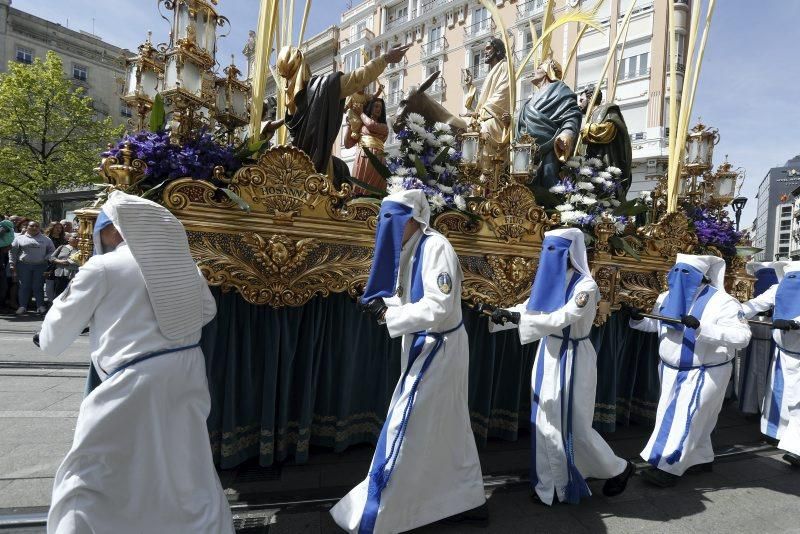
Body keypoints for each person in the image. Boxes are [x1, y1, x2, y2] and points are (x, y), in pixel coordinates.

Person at [37, 190, 233, 533]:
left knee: (92, 469)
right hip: (186, 371)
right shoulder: (186, 266)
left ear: (115, 230)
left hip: (132, 380)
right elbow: (207, 311)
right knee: (184, 464)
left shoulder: (104, 266)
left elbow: (54, 338)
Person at [331, 189, 486, 533]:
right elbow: (406, 298)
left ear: (412, 219)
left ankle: (383, 508)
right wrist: (385, 306)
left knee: (407, 424)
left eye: (393, 219)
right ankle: (467, 497)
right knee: (449, 424)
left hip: (438, 348)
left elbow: (439, 306)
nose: (385, 226)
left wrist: (389, 316)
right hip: (423, 343)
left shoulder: (435, 248)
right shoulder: (410, 250)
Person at [487, 228, 634, 504]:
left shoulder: (585, 286)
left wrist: (521, 321)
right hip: (549, 353)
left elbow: (563, 317)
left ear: (570, 253)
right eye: (547, 249)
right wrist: (503, 316)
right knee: (544, 420)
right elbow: (531, 307)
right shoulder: (551, 280)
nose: (549, 256)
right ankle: (551, 485)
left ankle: (619, 468)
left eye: (555, 250)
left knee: (574, 425)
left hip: (574, 357)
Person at [629, 254, 751, 487]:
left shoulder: (723, 302)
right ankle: (701, 459)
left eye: (685, 272)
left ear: (702, 277)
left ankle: (667, 467)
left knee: (686, 417)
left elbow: (742, 337)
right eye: (675, 271)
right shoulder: (666, 297)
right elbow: (658, 324)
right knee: (689, 419)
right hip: (669, 369)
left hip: (704, 371)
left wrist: (702, 328)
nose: (678, 277)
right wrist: (638, 319)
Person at [273, 43, 410, 176]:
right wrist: (385, 58)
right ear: (303, 66)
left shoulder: (290, 105)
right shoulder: (324, 87)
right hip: (318, 170)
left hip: (296, 167)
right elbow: (357, 78)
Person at [741, 261, 800, 466]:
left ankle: (797, 449)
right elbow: (755, 305)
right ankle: (778, 434)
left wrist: (796, 323)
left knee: (798, 404)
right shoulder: (778, 288)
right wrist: (732, 314)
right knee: (781, 396)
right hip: (784, 354)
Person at [516, 57, 583, 188]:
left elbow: (572, 114)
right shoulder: (530, 99)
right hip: (525, 150)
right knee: (522, 187)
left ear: (549, 71)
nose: (535, 70)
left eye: (540, 67)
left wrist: (566, 134)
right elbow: (523, 122)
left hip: (550, 146)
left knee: (549, 184)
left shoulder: (561, 90)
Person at [739, 261, 784, 416]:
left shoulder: (781, 289)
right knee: (752, 371)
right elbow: (753, 305)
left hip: (774, 337)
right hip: (754, 332)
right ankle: (750, 407)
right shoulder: (753, 289)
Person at [464, 38, 512, 182]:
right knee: (467, 129)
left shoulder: (505, 67)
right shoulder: (492, 71)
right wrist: (470, 87)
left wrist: (482, 112)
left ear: (497, 50)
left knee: (484, 128)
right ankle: (471, 172)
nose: (485, 52)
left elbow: (503, 93)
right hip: (486, 114)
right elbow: (484, 99)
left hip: (496, 118)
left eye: (488, 48)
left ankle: (488, 175)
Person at [577, 85, 632, 199]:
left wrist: (586, 129)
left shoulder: (608, 110)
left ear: (591, 98)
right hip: (590, 163)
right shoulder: (589, 117)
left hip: (606, 161)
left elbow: (608, 130)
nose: (579, 104)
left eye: (581, 100)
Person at [345, 97, 389, 194]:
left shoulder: (384, 127)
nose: (378, 109)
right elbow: (347, 144)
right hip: (363, 157)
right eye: (376, 106)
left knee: (376, 190)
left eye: (380, 108)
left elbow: (371, 125)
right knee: (360, 187)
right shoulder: (361, 127)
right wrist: (349, 126)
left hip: (378, 159)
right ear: (371, 107)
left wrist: (361, 113)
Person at [9, 221, 54, 315]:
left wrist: (46, 257)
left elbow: (52, 251)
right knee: (24, 286)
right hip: (23, 265)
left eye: (36, 226)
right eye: (32, 226)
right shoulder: (19, 238)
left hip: (40, 266)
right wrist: (12, 263)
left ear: (39, 227)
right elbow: (13, 252)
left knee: (38, 286)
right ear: (27, 227)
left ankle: (40, 306)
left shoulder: (46, 239)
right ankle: (22, 306)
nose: (34, 228)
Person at [50, 233, 80, 298]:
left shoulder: (81, 250)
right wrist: (60, 261)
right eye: (75, 237)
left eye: (78, 237)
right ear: (68, 239)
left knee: (72, 294)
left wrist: (72, 262)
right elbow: (51, 258)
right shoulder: (62, 247)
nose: (77, 239)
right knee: (58, 293)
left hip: (74, 274)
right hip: (60, 273)